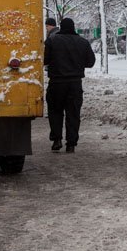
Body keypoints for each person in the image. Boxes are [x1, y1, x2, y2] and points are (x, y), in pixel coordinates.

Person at [43, 17, 95, 152]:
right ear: (73, 27)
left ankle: (56, 140)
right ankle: (71, 144)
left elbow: (44, 59)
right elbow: (90, 62)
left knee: (55, 111)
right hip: (75, 84)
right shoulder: (83, 42)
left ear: (61, 27)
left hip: (56, 83)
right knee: (73, 113)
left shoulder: (52, 40)